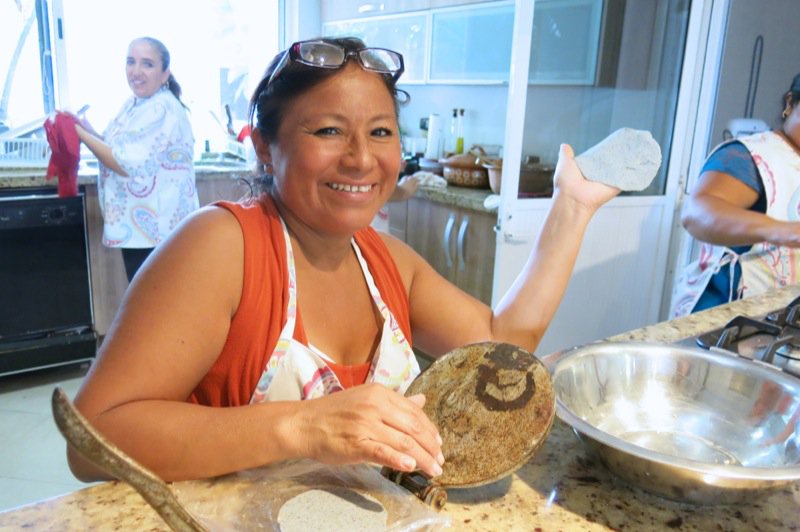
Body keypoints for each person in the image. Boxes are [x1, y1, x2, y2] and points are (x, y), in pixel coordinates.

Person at [66, 37, 619, 483]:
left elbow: (503, 344)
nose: (360, 159)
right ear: (265, 147)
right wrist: (302, 427)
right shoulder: (221, 247)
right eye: (329, 130)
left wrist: (571, 207)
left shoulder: (386, 261)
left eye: (380, 132)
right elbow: (92, 439)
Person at [671, 73, 800, 317]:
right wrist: (785, 231)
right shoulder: (751, 156)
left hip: (784, 322)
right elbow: (697, 212)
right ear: (790, 103)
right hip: (728, 319)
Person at [73, 36, 199, 282]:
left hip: (157, 230)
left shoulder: (160, 107)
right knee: (149, 296)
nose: (136, 71)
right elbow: (116, 148)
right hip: (142, 229)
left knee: (156, 298)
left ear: (165, 73)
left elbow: (124, 163)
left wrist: (79, 134)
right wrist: (85, 128)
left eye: (147, 64)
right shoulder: (136, 103)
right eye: (131, 62)